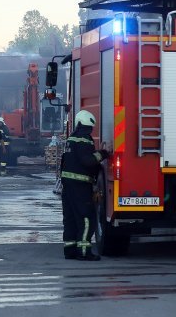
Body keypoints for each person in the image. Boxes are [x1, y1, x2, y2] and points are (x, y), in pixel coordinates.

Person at [60, 110, 109, 261]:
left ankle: (70, 249)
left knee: (71, 218)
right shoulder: (84, 140)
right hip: (80, 186)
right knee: (86, 217)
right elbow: (87, 161)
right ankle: (83, 251)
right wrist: (103, 153)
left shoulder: (71, 139)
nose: (90, 132)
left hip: (67, 185)